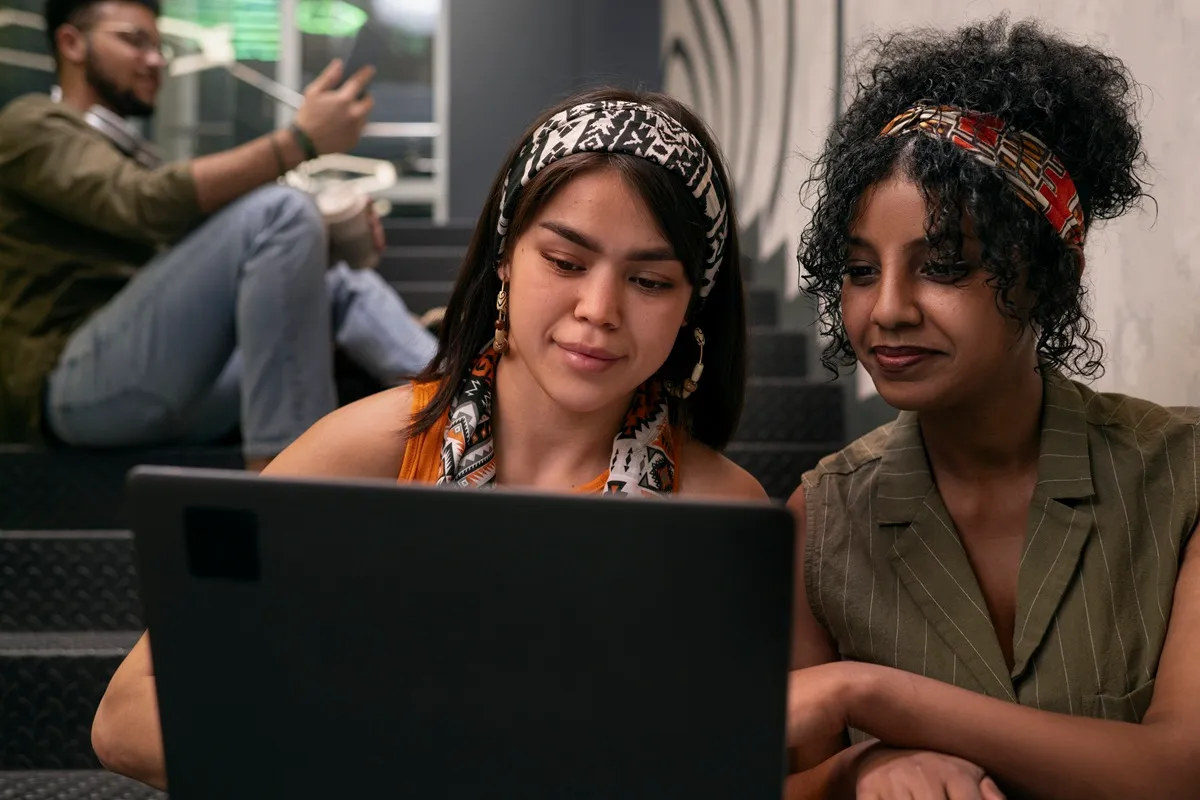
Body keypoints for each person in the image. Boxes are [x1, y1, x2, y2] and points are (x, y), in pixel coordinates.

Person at [90, 86, 768, 788]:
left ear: (694, 303)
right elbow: (128, 714)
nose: (599, 309)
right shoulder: (364, 450)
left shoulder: (727, 514)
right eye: (565, 262)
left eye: (650, 280)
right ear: (506, 257)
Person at [781, 16, 1200, 800]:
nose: (889, 309)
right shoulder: (824, 518)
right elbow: (784, 779)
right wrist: (864, 765)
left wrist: (870, 693)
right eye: (861, 270)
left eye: (942, 266)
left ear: (1046, 278)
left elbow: (1179, 771)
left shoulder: (1182, 479)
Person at [0, 0, 438, 470]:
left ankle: (467, 404)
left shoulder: (131, 151)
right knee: (281, 211)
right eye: (134, 40)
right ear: (71, 44)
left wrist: (323, 236)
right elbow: (145, 203)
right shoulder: (31, 126)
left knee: (327, 273)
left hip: (167, 381)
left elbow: (198, 229)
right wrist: (300, 143)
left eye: (158, 45)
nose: (156, 60)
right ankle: (288, 500)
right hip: (72, 388)